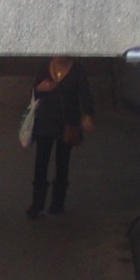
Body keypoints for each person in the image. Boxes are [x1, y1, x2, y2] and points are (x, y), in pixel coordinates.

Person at [26, 56, 93, 218]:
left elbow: (85, 93)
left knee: (62, 162)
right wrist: (39, 89)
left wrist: (88, 114)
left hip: (67, 122)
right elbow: (34, 91)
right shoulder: (44, 67)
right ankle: (37, 203)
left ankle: (57, 203)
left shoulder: (77, 69)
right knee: (41, 161)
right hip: (45, 121)